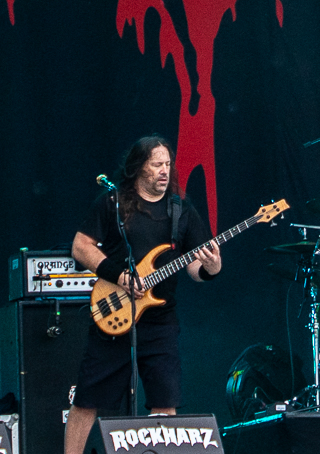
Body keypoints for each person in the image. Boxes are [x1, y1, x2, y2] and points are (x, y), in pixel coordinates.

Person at [63, 135, 222, 454]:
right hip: (115, 312)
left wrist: (212, 267)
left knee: (165, 402)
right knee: (87, 400)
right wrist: (119, 276)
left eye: (168, 164)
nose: (165, 171)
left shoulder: (181, 209)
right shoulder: (113, 202)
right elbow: (81, 247)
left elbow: (195, 268)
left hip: (160, 320)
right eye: (157, 164)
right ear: (138, 167)